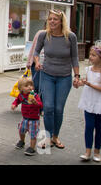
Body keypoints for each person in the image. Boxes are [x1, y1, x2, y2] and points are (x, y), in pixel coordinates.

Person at [33, 9, 79, 149]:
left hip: (64, 77)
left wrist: (77, 76)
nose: (52, 21)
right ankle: (47, 137)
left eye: (55, 19)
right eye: (50, 19)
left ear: (61, 21)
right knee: (48, 108)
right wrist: (37, 61)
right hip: (47, 75)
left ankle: (55, 137)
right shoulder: (43, 35)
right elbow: (36, 51)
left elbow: (74, 57)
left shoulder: (70, 37)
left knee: (58, 109)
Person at [76, 46, 101, 162]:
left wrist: (90, 85)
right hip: (89, 102)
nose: (90, 57)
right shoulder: (88, 69)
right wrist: (78, 84)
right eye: (90, 54)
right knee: (89, 127)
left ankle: (97, 152)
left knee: (99, 128)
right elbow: (85, 82)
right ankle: (87, 151)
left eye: (93, 55)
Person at [11, 77, 43, 156]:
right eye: (26, 85)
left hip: (34, 119)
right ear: (21, 88)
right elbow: (17, 100)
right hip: (24, 118)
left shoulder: (34, 95)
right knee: (21, 130)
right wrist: (14, 104)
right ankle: (22, 141)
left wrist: (35, 102)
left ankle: (32, 148)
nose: (29, 87)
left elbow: (40, 105)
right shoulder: (21, 95)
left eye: (31, 85)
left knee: (33, 134)